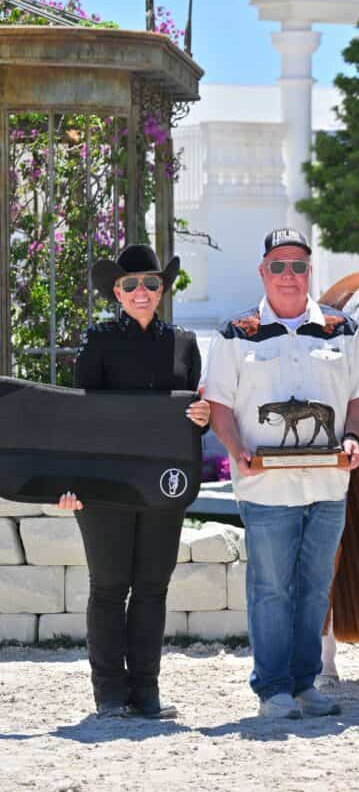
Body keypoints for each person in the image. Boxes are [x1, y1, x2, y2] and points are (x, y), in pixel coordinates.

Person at [205, 228, 359, 720]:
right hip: (265, 485)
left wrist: (353, 439)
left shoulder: (345, 330)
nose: (289, 276)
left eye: (298, 265)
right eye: (278, 265)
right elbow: (219, 404)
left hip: (328, 484)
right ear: (263, 272)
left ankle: (305, 683)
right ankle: (272, 688)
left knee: (317, 585)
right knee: (271, 587)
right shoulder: (236, 333)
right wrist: (235, 449)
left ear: (309, 271)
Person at [58, 245, 210, 719]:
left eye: (149, 283)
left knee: (152, 587)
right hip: (105, 486)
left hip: (164, 485)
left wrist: (202, 418)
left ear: (162, 289)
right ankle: (108, 694)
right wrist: (70, 484)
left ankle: (145, 693)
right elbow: (79, 417)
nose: (140, 292)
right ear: (117, 293)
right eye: (130, 285)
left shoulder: (184, 343)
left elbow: (192, 416)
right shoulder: (98, 341)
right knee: (108, 586)